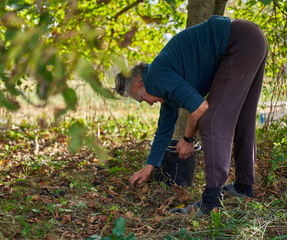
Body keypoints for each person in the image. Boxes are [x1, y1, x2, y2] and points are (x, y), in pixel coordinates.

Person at [114, 15, 268, 215]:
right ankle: (244, 187)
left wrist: (187, 138)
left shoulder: (156, 76)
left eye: (142, 99)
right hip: (251, 40)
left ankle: (211, 202)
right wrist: (148, 167)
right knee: (243, 120)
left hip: (237, 43)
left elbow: (200, 108)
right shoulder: (163, 83)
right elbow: (163, 131)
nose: (149, 103)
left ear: (139, 83)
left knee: (212, 121)